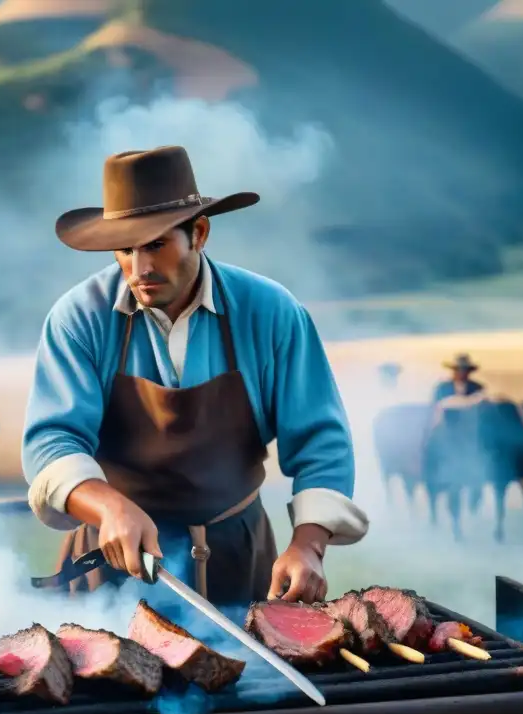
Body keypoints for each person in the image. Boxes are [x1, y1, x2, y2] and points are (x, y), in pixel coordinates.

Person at [22, 146, 368, 606]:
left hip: (241, 560)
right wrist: (108, 505)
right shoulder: (78, 318)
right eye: (125, 250)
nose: (140, 268)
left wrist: (308, 545)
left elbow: (321, 442)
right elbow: (51, 442)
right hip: (115, 564)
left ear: (199, 233)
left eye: (156, 245)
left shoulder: (271, 312)